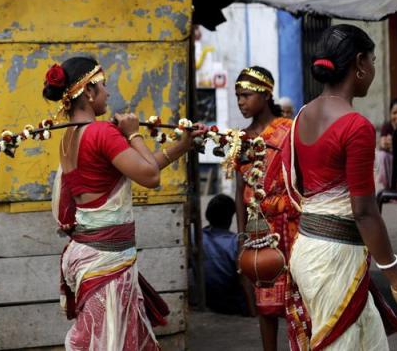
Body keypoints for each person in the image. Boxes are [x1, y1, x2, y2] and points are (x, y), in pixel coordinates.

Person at [44, 57, 207, 350]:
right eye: (104, 85)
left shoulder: (69, 136)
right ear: (89, 92)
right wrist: (133, 133)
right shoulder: (101, 133)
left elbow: (139, 167)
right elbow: (150, 176)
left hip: (90, 255)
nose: (108, 93)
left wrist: (182, 146)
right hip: (105, 259)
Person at [284, 24, 397, 350]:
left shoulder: (302, 116)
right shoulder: (356, 126)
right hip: (334, 259)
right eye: (374, 61)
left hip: (309, 252)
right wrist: (395, 275)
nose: (374, 68)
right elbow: (364, 212)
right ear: (361, 63)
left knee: (368, 338)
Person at [234, 66, 299, 351]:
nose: (240, 102)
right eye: (237, 96)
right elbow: (240, 190)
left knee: (300, 302)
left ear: (265, 94)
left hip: (291, 225)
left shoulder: (290, 130)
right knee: (265, 303)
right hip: (258, 228)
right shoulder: (240, 139)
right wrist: (241, 236)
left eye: (246, 95)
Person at [203, 194, 249, 316]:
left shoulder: (197, 237)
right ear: (230, 218)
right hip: (231, 302)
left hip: (207, 299)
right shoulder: (235, 243)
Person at [376, 99, 397, 190]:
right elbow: (383, 144)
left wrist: (394, 144)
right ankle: (387, 187)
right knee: (381, 155)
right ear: (390, 114)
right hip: (391, 157)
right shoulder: (387, 127)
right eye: (394, 113)